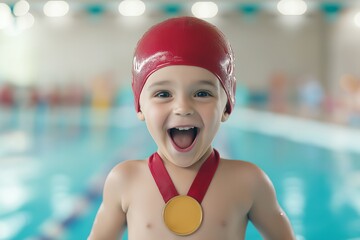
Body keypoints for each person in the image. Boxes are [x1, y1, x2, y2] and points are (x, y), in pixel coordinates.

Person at [88, 16, 295, 240]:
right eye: (163, 94)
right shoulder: (125, 180)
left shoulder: (248, 181)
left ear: (227, 105)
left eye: (202, 93)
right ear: (139, 105)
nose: (183, 108)